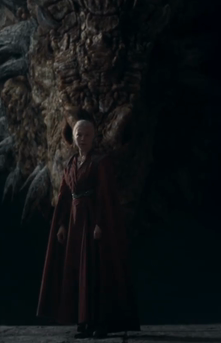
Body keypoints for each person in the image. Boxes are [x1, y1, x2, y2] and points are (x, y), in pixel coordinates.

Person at [37, 115, 140, 339]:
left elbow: (105, 195)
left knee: (96, 271)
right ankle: (84, 321)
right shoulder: (71, 164)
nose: (82, 138)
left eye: (86, 135)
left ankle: (100, 323)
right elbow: (65, 196)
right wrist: (62, 225)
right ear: (73, 137)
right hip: (76, 223)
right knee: (78, 270)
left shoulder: (100, 162)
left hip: (93, 221)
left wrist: (100, 223)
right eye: (79, 135)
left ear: (93, 137)